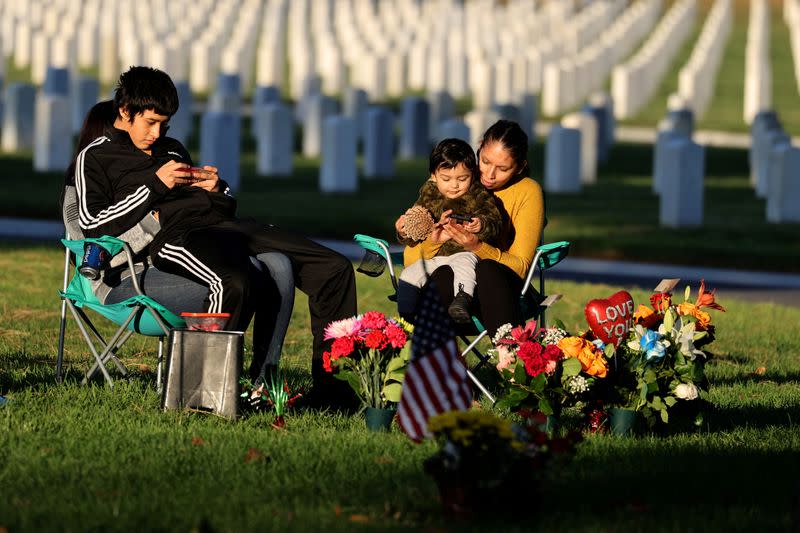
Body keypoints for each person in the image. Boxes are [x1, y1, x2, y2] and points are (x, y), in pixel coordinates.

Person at [75, 66, 357, 403]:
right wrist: (156, 184)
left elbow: (215, 206)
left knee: (334, 267)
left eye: (165, 124)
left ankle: (331, 391)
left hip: (221, 225)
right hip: (173, 237)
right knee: (234, 280)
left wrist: (216, 189)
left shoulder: (173, 149)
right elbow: (92, 224)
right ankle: (206, 395)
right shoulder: (96, 157)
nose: (157, 132)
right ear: (125, 111)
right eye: (150, 122)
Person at [64, 99, 294, 382]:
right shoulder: (86, 178)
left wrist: (212, 191)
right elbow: (91, 245)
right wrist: (153, 220)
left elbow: (189, 215)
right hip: (126, 278)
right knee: (241, 278)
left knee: (277, 264)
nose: (151, 138)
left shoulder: (157, 162)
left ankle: (263, 383)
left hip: (183, 257)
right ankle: (205, 386)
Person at [413, 120, 545, 336]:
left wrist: (477, 246)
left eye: (503, 168)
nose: (489, 175)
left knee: (487, 269)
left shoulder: (527, 191)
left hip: (502, 292)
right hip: (453, 298)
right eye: (484, 161)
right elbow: (412, 258)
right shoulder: (454, 177)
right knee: (444, 272)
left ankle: (508, 358)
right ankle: (434, 362)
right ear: (479, 147)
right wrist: (432, 241)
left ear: (520, 167)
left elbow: (521, 267)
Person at [394, 138, 502, 324]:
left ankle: (461, 301)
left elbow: (495, 223)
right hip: (436, 257)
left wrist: (481, 224)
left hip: (465, 252)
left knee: (465, 267)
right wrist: (405, 230)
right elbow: (416, 229)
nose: (454, 185)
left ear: (472, 174)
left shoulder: (478, 194)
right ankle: (407, 315)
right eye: (446, 179)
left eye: (462, 178)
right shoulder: (429, 195)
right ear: (434, 176)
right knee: (410, 274)